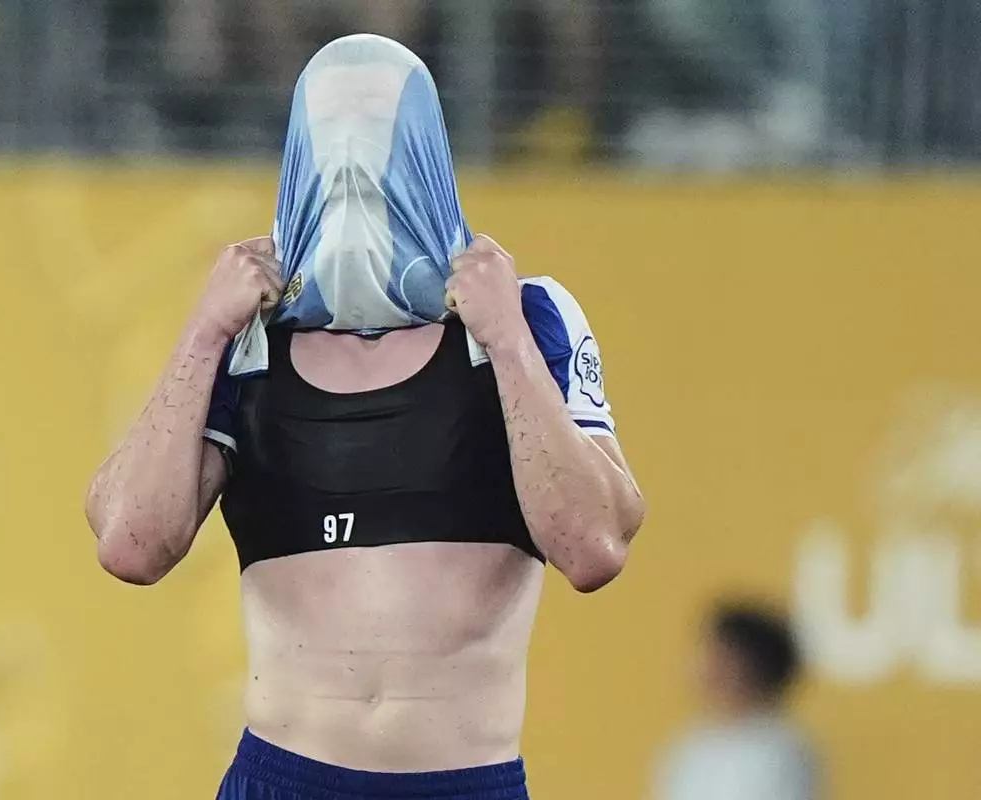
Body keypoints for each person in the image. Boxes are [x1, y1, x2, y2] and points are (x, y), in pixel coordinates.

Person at [85, 34, 645, 800]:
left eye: (378, 135)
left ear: (422, 152)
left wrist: (507, 339)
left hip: (462, 780)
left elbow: (595, 548)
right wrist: (203, 331)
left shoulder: (528, 315)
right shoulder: (246, 339)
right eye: (332, 136)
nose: (352, 163)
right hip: (282, 774)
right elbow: (129, 543)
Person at [654, 601, 819, 800]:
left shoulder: (781, 752)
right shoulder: (689, 747)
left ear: (749, 666)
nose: (707, 668)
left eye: (722, 658)